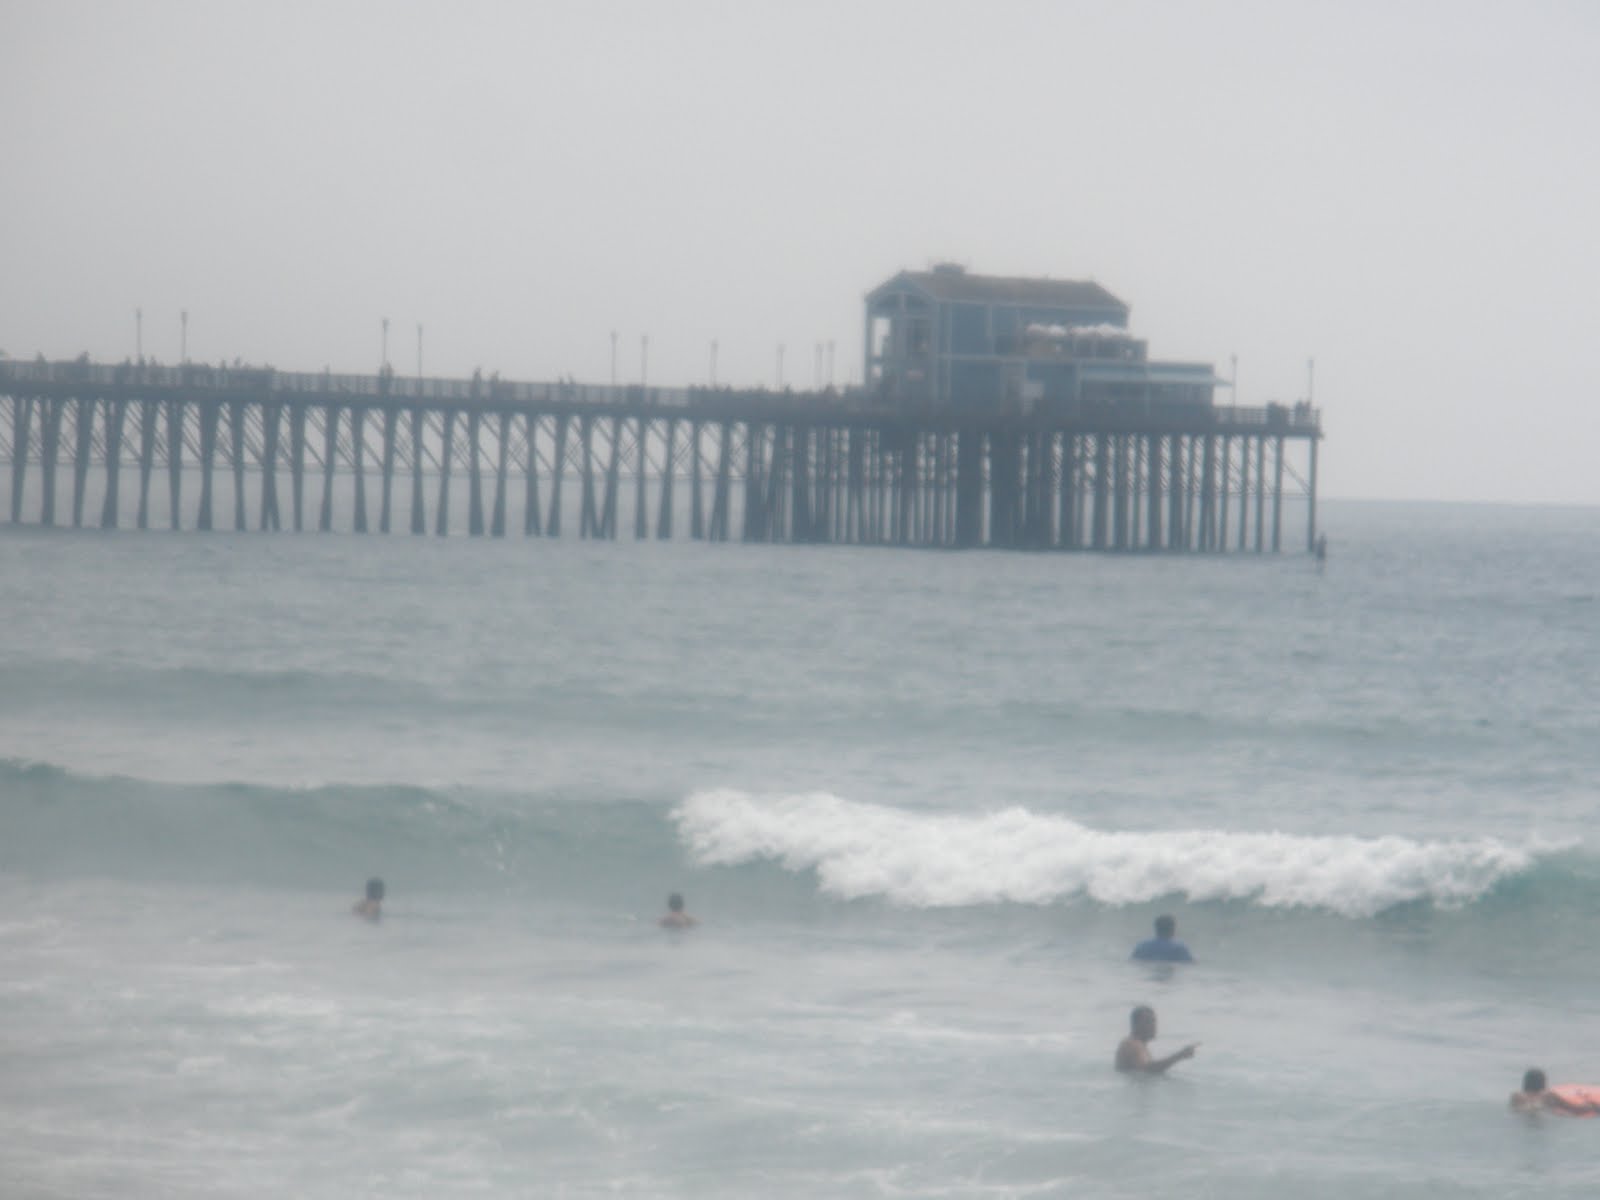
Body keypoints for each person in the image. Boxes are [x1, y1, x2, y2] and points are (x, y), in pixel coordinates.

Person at [1115, 1006, 1198, 1074]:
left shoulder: (1138, 1044)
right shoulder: (1132, 1044)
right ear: (1136, 1025)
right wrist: (1179, 1056)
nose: (1154, 1026)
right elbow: (1147, 1070)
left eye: (1154, 1022)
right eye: (1149, 1022)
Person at [1509, 1069, 1600, 1115]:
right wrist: (1592, 1105)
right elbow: (1574, 1109)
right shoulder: (1547, 1096)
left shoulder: (1516, 1096)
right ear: (1542, 1083)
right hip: (1545, 1115)